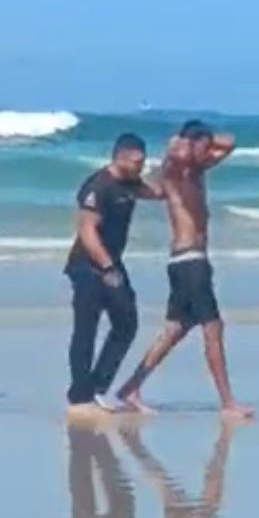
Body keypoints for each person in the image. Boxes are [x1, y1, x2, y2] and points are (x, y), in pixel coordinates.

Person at [115, 121, 254, 419]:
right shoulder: (176, 171)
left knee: (175, 330)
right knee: (213, 329)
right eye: (201, 147)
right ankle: (228, 403)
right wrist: (185, 142)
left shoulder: (199, 169)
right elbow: (173, 152)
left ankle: (130, 388)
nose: (208, 153)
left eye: (206, 147)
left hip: (189, 262)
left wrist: (203, 142)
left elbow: (230, 142)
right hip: (190, 262)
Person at [63, 133, 163, 411]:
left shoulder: (131, 184)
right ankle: (79, 396)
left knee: (127, 322)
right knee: (86, 328)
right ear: (119, 157)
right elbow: (86, 231)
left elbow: (158, 193)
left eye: (143, 162)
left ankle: (98, 386)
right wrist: (107, 267)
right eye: (136, 162)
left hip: (112, 262)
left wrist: (178, 165)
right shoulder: (99, 186)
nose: (141, 167)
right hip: (87, 264)